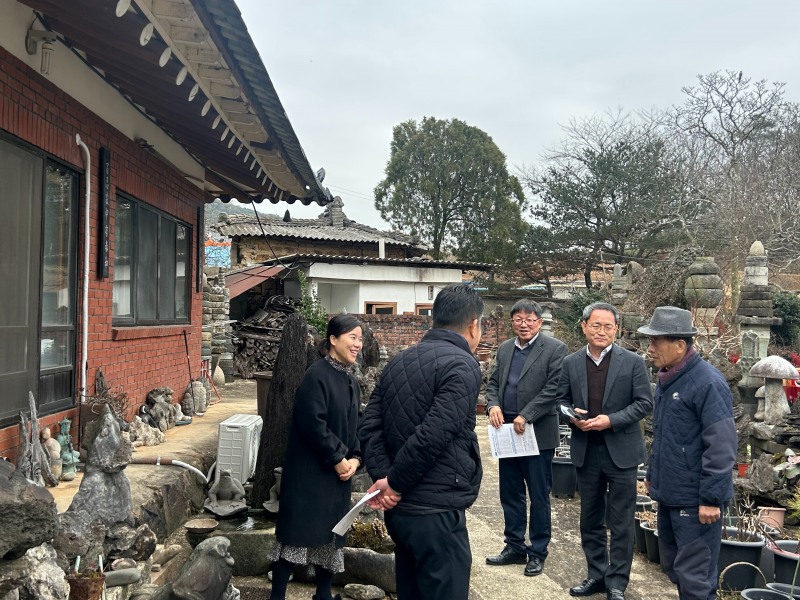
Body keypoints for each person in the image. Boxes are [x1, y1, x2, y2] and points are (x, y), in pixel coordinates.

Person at [359, 284, 484, 600]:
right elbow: (435, 434)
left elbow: (369, 425)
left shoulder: (400, 360)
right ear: (473, 325)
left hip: (400, 512)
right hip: (435, 508)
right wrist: (394, 483)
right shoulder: (462, 363)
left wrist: (383, 478)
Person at [638, 306, 737, 600]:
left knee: (696, 578)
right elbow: (667, 437)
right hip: (670, 494)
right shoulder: (668, 379)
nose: (650, 348)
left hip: (696, 503)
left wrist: (711, 499)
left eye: (657, 341)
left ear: (680, 345)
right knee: (674, 568)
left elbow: (721, 445)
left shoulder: (708, 382)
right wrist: (652, 476)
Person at [557, 302, 653, 600]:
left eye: (608, 326)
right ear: (583, 326)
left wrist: (611, 420)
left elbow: (644, 404)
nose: (601, 331)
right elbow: (560, 400)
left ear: (617, 329)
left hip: (620, 452)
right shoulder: (571, 362)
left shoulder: (633, 362)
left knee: (621, 520)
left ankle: (616, 583)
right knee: (590, 517)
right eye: (596, 325)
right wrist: (572, 415)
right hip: (587, 450)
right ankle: (596, 574)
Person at [269, 314, 364, 600]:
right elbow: (312, 424)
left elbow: (353, 429)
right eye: (352, 337)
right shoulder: (316, 375)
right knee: (295, 538)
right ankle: (277, 597)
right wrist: (338, 457)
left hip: (337, 477)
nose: (358, 344)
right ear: (333, 340)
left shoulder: (351, 382)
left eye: (360, 338)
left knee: (331, 539)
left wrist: (356, 459)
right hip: (309, 476)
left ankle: (323, 595)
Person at [484, 299, 567, 576]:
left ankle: (538, 550)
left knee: (538, 495)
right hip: (506, 431)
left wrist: (527, 414)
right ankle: (514, 545)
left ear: (539, 323)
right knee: (510, 492)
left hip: (537, 432)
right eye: (518, 319)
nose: (524, 324)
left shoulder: (555, 349)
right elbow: (494, 383)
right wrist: (492, 405)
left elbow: (554, 389)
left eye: (530, 319)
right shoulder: (506, 348)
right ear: (512, 322)